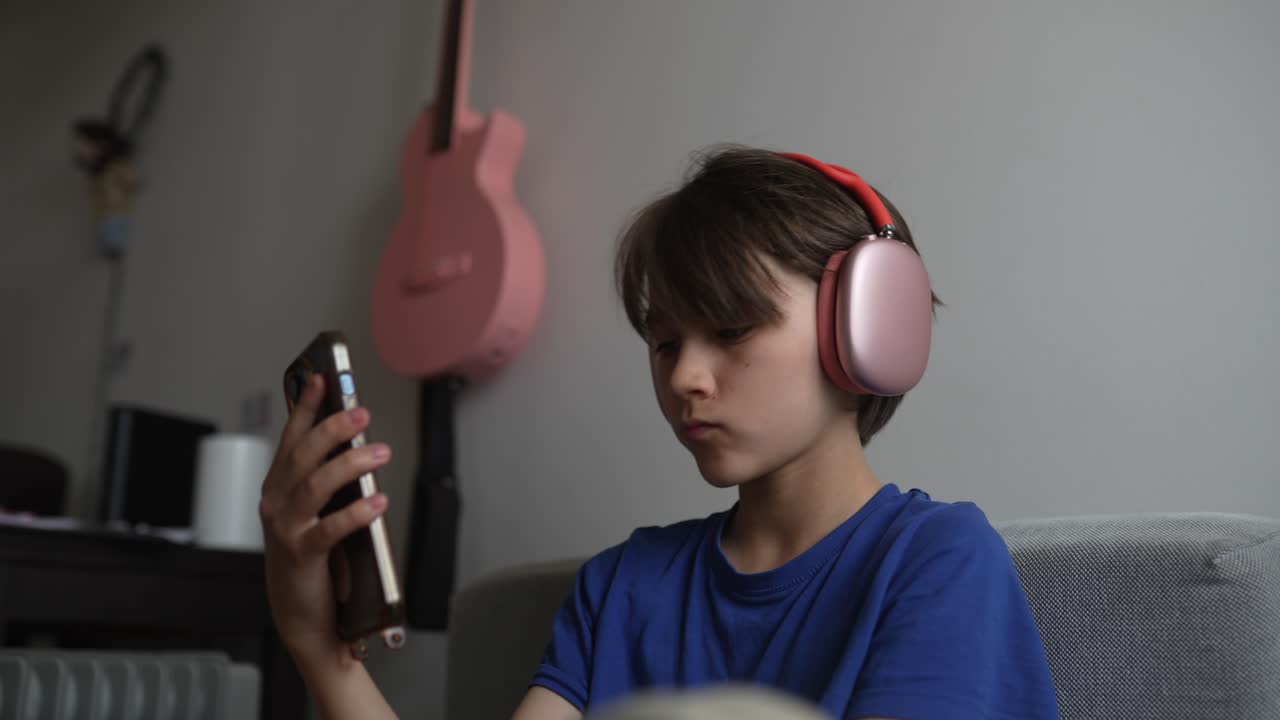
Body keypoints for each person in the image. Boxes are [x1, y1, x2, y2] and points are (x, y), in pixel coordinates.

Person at [259, 145, 1060, 719]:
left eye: (732, 328)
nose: (683, 378)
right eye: (666, 342)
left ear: (867, 330)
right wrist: (316, 643)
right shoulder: (625, 586)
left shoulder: (938, 561)